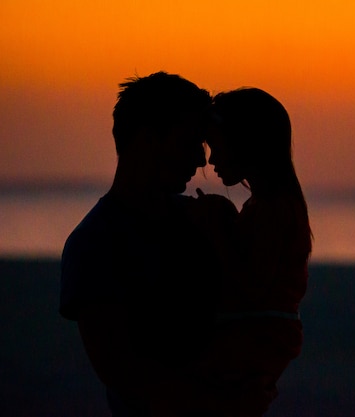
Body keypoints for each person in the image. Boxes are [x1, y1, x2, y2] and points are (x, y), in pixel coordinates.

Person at [59, 72, 276, 417]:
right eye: (189, 142)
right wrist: (227, 404)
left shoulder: (207, 219)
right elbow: (125, 374)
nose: (201, 161)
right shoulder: (94, 245)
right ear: (147, 141)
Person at [192, 87, 312, 415]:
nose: (211, 159)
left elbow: (250, 287)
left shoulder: (275, 209)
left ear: (246, 144)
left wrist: (217, 226)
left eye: (217, 146)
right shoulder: (266, 205)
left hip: (257, 338)